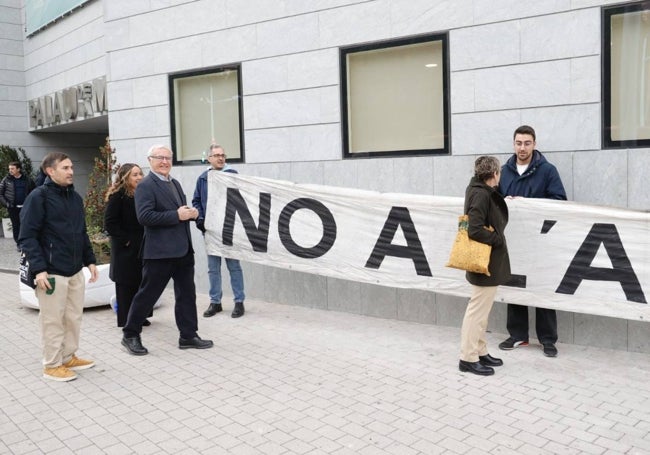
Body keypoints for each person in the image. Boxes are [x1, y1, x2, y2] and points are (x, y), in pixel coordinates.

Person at [121, 145, 213, 355]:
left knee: (187, 296)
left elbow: (179, 212)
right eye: (159, 158)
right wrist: (177, 215)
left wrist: (190, 214)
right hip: (160, 252)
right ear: (150, 160)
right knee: (147, 296)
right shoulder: (145, 185)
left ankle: (188, 335)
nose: (164, 161)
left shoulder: (175, 183)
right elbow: (144, 217)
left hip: (182, 251)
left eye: (168, 158)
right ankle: (130, 334)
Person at [18, 152, 98, 382]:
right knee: (52, 320)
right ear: (50, 171)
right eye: (65, 168)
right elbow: (27, 237)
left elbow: (81, 233)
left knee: (73, 317)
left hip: (74, 270)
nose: (71, 171)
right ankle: (52, 364)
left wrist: (90, 260)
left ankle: (68, 356)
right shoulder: (38, 197)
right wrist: (39, 269)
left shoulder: (74, 198)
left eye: (71, 167)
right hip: (51, 272)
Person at [498, 125, 567, 358]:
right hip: (514, 240)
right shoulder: (504, 171)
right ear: (513, 144)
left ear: (535, 144)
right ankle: (518, 336)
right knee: (515, 286)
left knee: (542, 288)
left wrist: (527, 204)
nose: (522, 147)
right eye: (518, 143)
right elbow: (493, 199)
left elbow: (559, 201)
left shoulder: (548, 171)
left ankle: (548, 340)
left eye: (527, 143)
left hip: (540, 242)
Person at [459, 156, 511, 376]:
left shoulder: (478, 190)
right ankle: (468, 358)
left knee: (482, 311)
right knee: (476, 312)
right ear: (495, 174)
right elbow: (474, 229)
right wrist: (497, 239)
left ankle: (480, 351)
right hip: (484, 261)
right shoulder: (481, 194)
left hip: (487, 261)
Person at [192, 144, 246, 318]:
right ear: (209, 159)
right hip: (211, 231)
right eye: (216, 155)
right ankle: (215, 302)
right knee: (213, 268)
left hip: (230, 230)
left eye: (223, 155)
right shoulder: (203, 179)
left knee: (234, 267)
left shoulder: (233, 176)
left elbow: (242, 201)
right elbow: (196, 201)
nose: (220, 158)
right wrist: (200, 221)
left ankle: (239, 302)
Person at [104, 163, 152, 328]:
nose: (139, 177)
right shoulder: (118, 196)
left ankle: (140, 316)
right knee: (126, 285)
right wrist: (126, 241)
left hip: (143, 246)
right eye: (134, 175)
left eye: (140, 174)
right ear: (125, 178)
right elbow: (110, 223)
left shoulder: (143, 194)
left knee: (141, 282)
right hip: (126, 249)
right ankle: (126, 321)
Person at [0, 161, 35, 250]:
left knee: (26, 225)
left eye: (12, 168)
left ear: (18, 169)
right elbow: (0, 194)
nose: (10, 171)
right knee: (16, 226)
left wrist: (31, 204)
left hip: (26, 207)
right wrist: (7, 204)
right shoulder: (6, 179)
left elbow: (34, 192)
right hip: (13, 208)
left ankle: (26, 243)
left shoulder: (27, 179)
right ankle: (19, 244)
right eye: (9, 169)